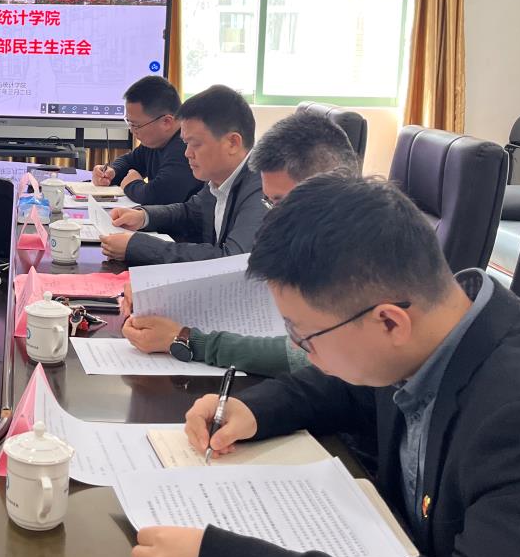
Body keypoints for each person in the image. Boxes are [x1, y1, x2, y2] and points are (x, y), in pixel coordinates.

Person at [131, 175, 520, 557]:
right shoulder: (436, 326)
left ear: (389, 322)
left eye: (304, 336)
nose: (300, 351)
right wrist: (252, 409)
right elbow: (352, 391)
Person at [120, 112, 360, 376]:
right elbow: (248, 281)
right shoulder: (308, 235)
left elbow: (306, 356)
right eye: (270, 203)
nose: (273, 217)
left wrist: (189, 340)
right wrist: (158, 294)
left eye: (282, 202)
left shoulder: (363, 261)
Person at [100, 84, 265, 266]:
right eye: (186, 143)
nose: (187, 153)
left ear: (232, 143)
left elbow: (232, 260)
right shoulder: (219, 177)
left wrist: (138, 246)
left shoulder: (263, 187)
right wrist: (143, 216)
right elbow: (190, 212)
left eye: (195, 144)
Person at [91, 75, 201, 206]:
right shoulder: (156, 141)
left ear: (166, 122)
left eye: (136, 125)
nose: (132, 130)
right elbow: (130, 161)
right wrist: (112, 172)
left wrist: (132, 184)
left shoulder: (186, 147)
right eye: (129, 123)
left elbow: (158, 195)